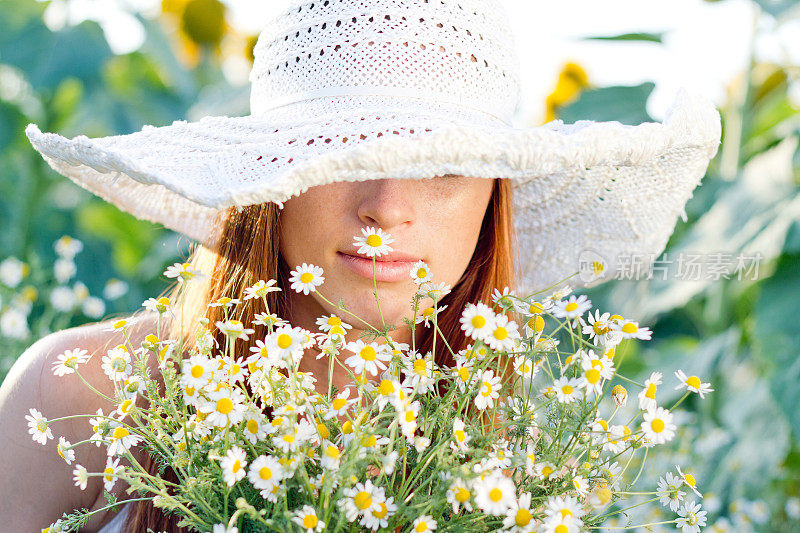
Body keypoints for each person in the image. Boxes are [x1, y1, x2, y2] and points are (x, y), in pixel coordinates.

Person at [1, 0, 721, 531]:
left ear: (491, 196)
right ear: (273, 177)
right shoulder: (84, 397)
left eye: (442, 164)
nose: (385, 207)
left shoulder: (520, 482)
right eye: (343, 152)